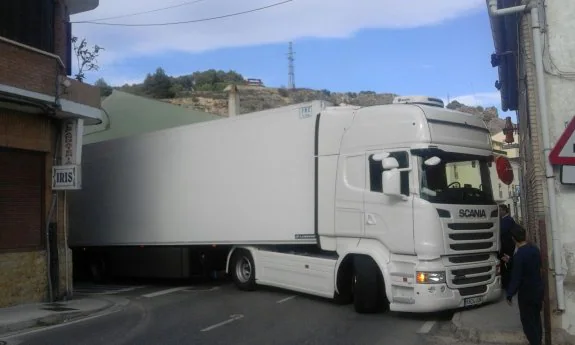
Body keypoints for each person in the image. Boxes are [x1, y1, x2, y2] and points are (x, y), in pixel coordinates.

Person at [506, 224, 544, 345]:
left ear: (513, 239)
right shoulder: (534, 249)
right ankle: (538, 341)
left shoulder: (519, 255)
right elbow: (531, 265)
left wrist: (509, 294)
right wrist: (511, 261)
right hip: (538, 290)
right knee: (536, 319)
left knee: (528, 322)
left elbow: (516, 278)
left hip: (526, 294)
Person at [499, 204, 516, 289]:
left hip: (507, 247)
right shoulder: (501, 219)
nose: (499, 212)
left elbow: (503, 232)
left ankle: (509, 284)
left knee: (508, 265)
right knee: (503, 266)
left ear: (504, 211)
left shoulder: (509, 220)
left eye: (500, 210)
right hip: (503, 246)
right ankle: (505, 283)